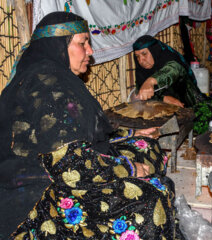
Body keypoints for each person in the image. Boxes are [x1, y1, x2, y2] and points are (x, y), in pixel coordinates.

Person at [0, 12, 183, 239]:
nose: (90, 51)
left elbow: (85, 134)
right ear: (58, 45)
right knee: (149, 199)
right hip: (38, 187)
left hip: (68, 164)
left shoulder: (57, 76)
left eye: (89, 42)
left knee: (146, 145)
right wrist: (130, 168)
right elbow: (68, 164)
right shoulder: (46, 84)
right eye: (82, 43)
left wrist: (131, 134)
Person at [132, 35, 207, 108]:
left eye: (144, 54)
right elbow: (142, 94)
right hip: (163, 108)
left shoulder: (168, 57)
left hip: (189, 103)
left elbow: (174, 69)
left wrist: (150, 81)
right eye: (137, 56)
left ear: (154, 50)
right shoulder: (141, 70)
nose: (141, 60)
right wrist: (164, 99)